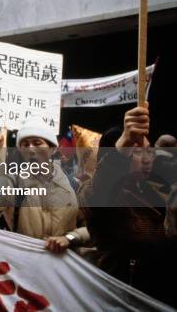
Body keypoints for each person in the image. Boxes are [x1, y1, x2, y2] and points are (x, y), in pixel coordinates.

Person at [84, 103, 177, 306]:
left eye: (149, 151)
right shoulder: (104, 195)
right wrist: (125, 142)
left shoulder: (159, 193)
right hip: (119, 301)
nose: (146, 159)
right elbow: (100, 191)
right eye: (136, 152)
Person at [0, 117, 85, 251]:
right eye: (25, 144)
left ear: (53, 149)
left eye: (37, 143)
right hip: (25, 265)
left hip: (63, 267)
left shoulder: (73, 185)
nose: (31, 149)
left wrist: (69, 238)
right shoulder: (14, 182)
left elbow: (91, 229)